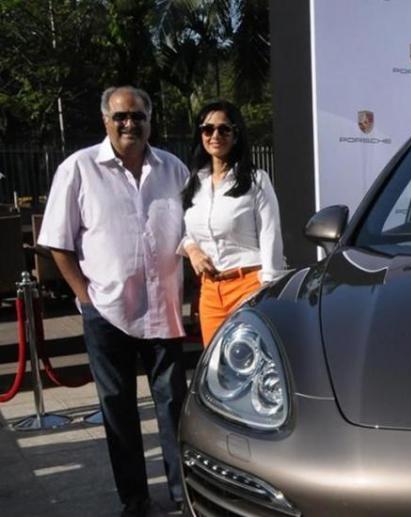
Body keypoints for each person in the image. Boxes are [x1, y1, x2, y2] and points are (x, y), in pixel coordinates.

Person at [37, 86, 188, 517]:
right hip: (107, 313)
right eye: (120, 116)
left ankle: (182, 493)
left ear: (150, 120)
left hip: (163, 311)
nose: (129, 124)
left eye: (138, 116)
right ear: (105, 120)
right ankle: (135, 499)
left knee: (173, 406)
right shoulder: (79, 168)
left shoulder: (173, 169)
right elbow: (58, 243)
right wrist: (85, 297)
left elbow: (193, 232)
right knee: (118, 410)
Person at [181, 100, 285, 345]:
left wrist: (268, 290)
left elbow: (270, 235)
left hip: (248, 287)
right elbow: (185, 231)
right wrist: (192, 249)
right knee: (215, 361)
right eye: (208, 129)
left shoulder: (256, 180)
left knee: (254, 358)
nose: (215, 135)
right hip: (210, 291)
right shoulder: (194, 183)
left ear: (236, 135)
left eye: (224, 129)